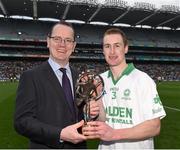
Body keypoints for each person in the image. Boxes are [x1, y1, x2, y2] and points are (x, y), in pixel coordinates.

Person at [14, 21, 99, 149]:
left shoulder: (82, 78)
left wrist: (90, 114)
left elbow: (81, 117)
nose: (62, 44)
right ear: (48, 41)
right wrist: (60, 134)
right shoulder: (30, 77)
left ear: (74, 45)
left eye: (68, 40)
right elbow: (22, 122)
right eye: (57, 39)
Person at [82, 28, 166, 149]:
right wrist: (97, 99)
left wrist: (115, 134)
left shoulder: (143, 80)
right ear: (103, 50)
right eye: (107, 46)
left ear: (125, 48)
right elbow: (102, 122)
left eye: (117, 46)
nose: (112, 51)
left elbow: (154, 126)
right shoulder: (99, 80)